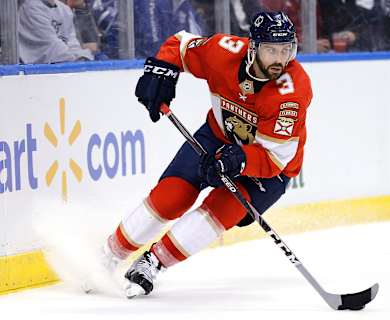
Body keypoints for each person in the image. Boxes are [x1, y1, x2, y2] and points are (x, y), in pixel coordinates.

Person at [100, 11, 312, 298]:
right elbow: (180, 45)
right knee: (171, 197)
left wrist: (236, 161)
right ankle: (108, 254)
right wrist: (162, 70)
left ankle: (154, 263)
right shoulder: (223, 52)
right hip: (217, 136)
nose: (279, 59)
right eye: (271, 50)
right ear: (253, 47)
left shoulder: (292, 92)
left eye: (286, 50)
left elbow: (273, 159)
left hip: (268, 168)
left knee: (221, 210)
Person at [18, 0, 94, 63]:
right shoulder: (30, 7)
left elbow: (73, 45)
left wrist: (84, 57)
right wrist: (80, 60)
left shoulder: (64, 9)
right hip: (35, 74)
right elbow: (53, 50)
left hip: (63, 66)